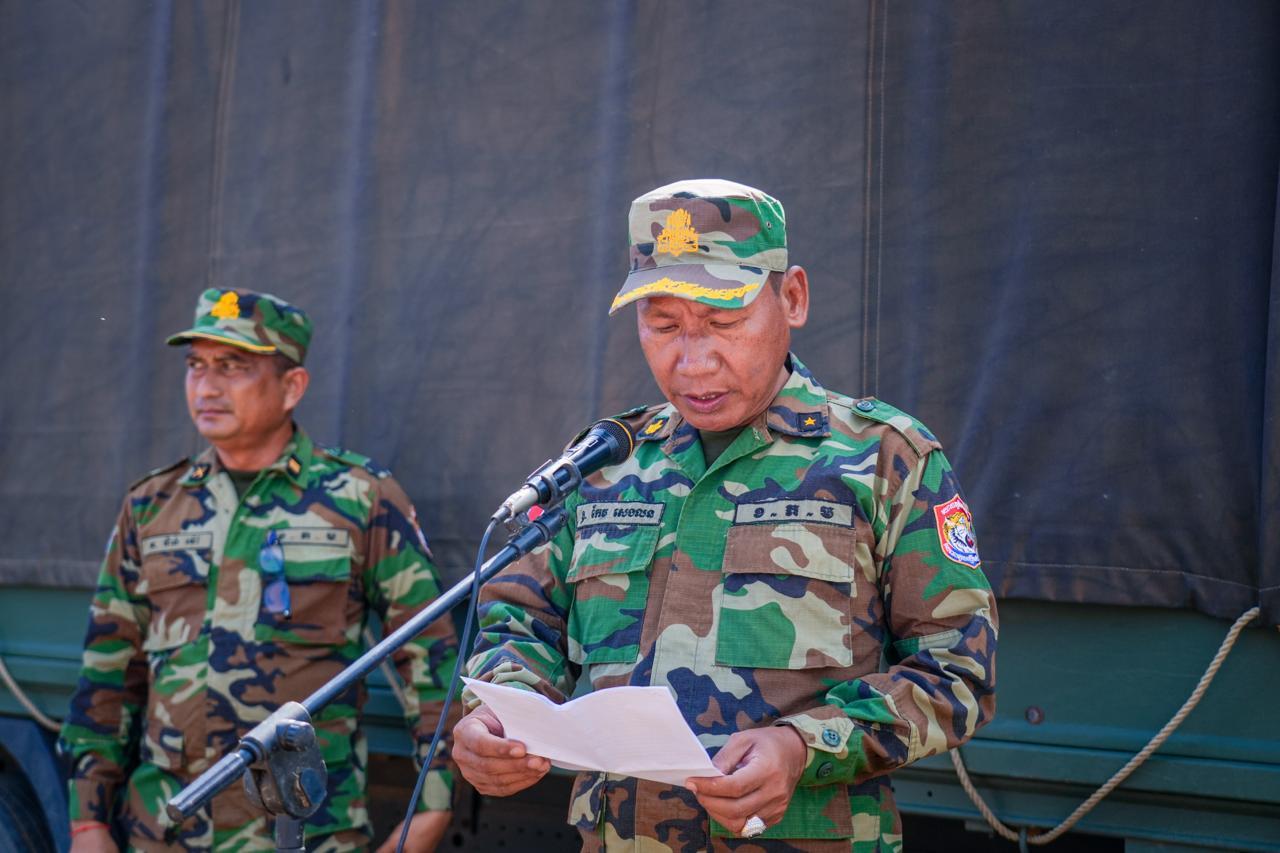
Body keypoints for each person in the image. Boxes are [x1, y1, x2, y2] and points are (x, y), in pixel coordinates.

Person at [453, 179, 998, 851]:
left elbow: (957, 671)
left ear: (791, 297)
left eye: (724, 322)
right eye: (663, 326)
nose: (692, 360)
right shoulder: (607, 462)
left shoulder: (884, 459)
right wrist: (498, 715)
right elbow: (520, 623)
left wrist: (803, 746)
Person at [59, 289, 458, 852]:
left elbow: (432, 660)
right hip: (164, 831)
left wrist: (432, 807)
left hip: (305, 831)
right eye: (196, 365)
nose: (206, 386)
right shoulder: (152, 505)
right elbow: (108, 669)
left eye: (233, 366)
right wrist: (88, 820)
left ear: (292, 386)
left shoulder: (360, 498)